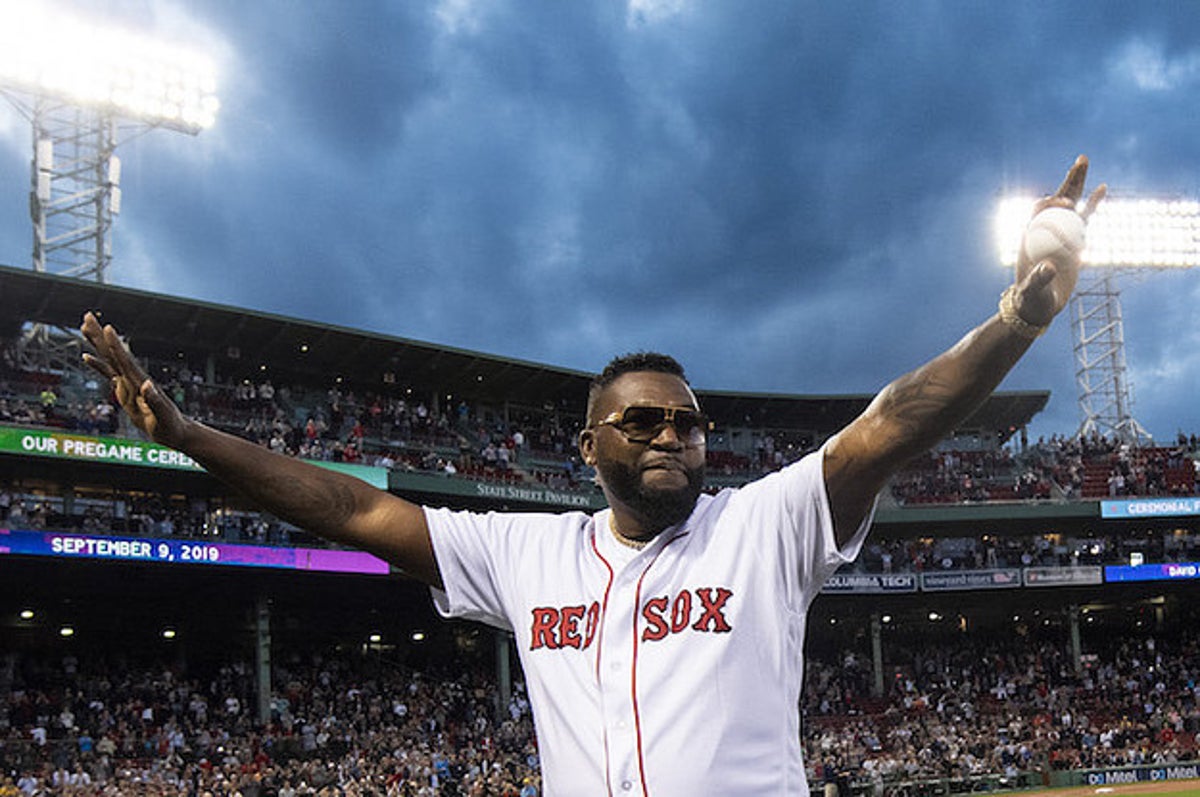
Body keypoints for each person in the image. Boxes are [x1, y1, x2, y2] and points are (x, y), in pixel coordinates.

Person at [81, 157, 1105, 796]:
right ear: (590, 447)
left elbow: (891, 425)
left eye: (691, 421)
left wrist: (1016, 320)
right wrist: (190, 433)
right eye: (644, 419)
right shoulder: (525, 553)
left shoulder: (763, 525)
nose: (674, 434)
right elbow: (351, 505)